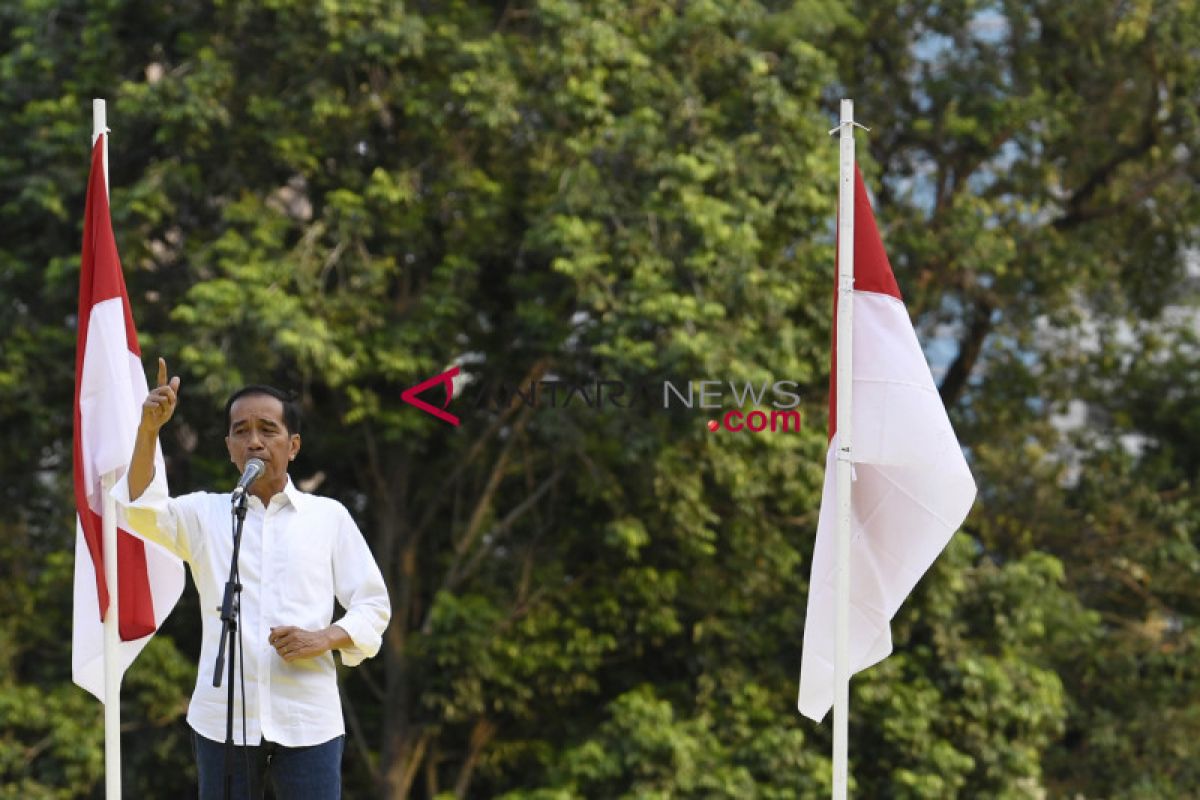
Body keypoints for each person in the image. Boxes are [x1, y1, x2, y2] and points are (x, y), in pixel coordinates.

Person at [112, 358, 391, 799]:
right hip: (221, 719)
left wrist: (326, 638)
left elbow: (373, 605)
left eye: (268, 429)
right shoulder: (205, 514)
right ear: (228, 446)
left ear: (293, 445)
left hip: (307, 720)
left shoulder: (328, 517)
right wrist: (149, 431)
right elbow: (138, 510)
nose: (254, 441)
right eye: (241, 431)